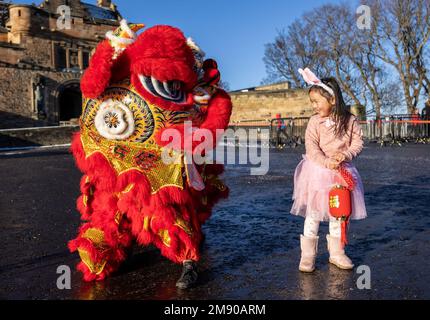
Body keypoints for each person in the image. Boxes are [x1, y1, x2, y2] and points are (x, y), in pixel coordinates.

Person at [290, 68, 367, 273]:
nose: (313, 106)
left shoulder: (349, 120)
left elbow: (358, 143)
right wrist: (325, 162)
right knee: (313, 214)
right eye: (312, 102)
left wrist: (346, 155)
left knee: (338, 213)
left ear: (332, 99)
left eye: (317, 102)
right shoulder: (314, 122)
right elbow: (311, 147)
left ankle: (337, 252)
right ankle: (308, 255)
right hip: (317, 172)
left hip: (341, 172)